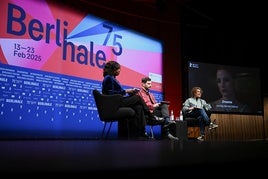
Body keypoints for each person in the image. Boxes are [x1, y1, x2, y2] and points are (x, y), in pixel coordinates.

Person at [101, 60, 156, 139]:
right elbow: (111, 94)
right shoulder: (108, 78)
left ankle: (140, 133)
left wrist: (128, 92)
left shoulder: (111, 78)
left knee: (138, 107)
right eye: (118, 69)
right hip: (114, 103)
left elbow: (116, 93)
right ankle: (150, 115)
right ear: (114, 69)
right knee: (138, 97)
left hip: (117, 101)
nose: (120, 70)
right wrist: (126, 91)